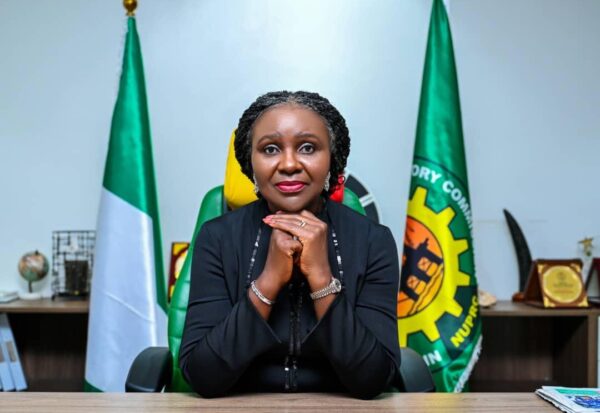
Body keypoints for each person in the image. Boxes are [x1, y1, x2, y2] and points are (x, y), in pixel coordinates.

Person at [179, 91, 401, 399]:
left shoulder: (374, 241)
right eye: (270, 149)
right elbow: (203, 377)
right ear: (250, 162)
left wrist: (321, 277)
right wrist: (269, 281)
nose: (289, 164)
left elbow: (373, 380)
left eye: (308, 147)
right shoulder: (217, 238)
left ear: (332, 158)